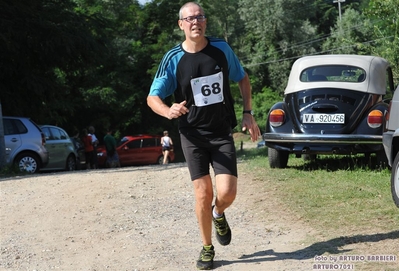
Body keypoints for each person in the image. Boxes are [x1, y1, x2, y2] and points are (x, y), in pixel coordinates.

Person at [147, 2, 260, 270]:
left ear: (205, 22)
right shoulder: (173, 58)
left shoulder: (221, 49)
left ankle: (218, 213)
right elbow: (152, 97)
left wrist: (248, 112)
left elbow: (242, 78)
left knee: (227, 193)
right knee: (202, 193)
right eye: (190, 18)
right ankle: (207, 248)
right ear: (181, 24)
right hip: (192, 135)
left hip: (221, 133)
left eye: (200, 17)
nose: (195, 22)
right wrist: (168, 109)